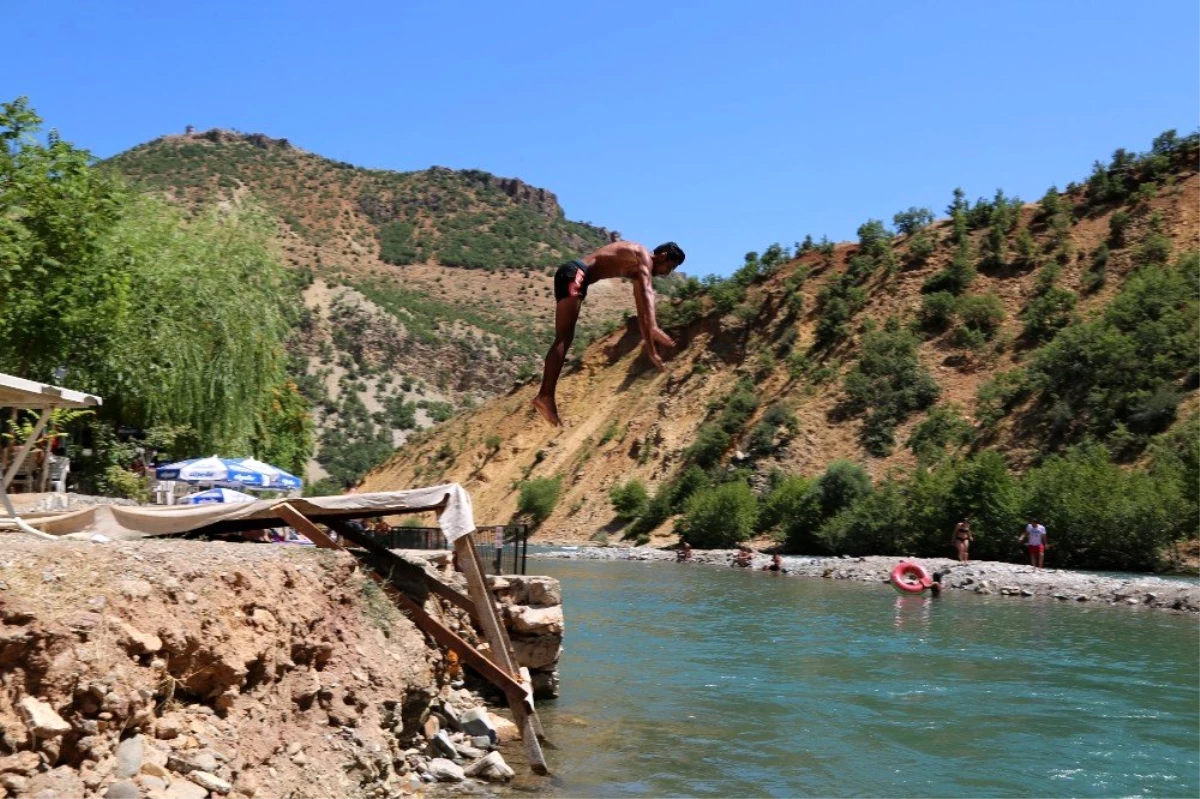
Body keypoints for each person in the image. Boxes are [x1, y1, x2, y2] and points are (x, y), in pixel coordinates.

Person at [532, 241, 687, 426]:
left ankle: (545, 396)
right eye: (669, 267)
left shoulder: (638, 273)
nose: (667, 273)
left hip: (571, 275)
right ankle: (545, 396)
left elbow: (642, 313)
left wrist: (652, 351)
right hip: (577, 273)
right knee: (564, 338)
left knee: (564, 337)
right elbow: (648, 292)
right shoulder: (642, 254)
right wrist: (654, 326)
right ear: (662, 256)